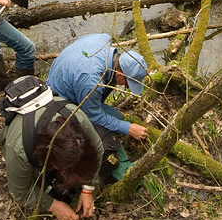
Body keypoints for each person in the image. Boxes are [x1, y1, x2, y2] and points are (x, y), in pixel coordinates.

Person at [46, 33, 148, 178]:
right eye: (127, 83)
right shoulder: (91, 81)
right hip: (59, 101)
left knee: (117, 117)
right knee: (103, 132)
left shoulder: (104, 40)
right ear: (119, 73)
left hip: (72, 83)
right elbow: (93, 116)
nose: (126, 87)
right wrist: (128, 128)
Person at [0, 99, 104, 220]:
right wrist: (55, 206)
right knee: (37, 185)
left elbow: (98, 149)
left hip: (47, 138)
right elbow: (20, 192)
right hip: (23, 141)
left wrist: (88, 188)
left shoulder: (77, 118)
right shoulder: (20, 151)